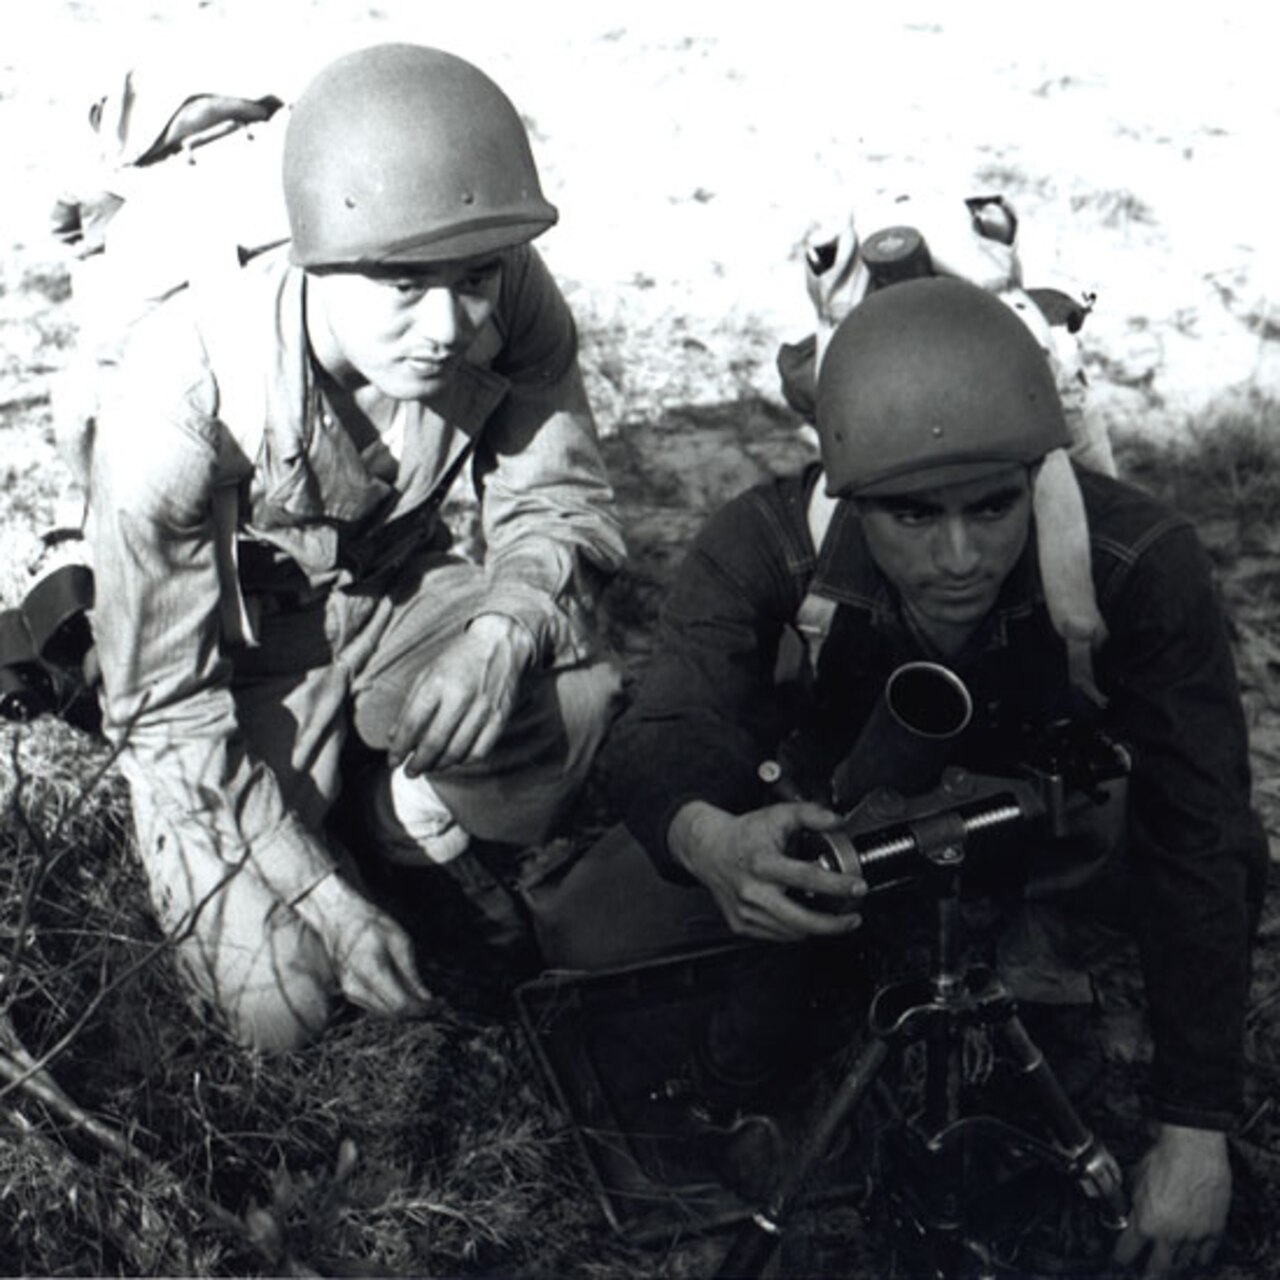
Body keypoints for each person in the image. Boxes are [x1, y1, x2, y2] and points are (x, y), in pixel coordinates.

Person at [543, 277, 1266, 1275]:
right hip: (823, 832)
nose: (959, 555)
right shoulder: (762, 543)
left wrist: (1193, 1126)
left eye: (992, 506)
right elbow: (664, 724)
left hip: (1038, 841)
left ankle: (1007, 959)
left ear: (1035, 474)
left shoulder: (1136, 560)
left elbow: (1203, 829)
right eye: (912, 517)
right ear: (845, 495)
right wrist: (712, 842)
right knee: (587, 931)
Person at [85, 43, 625, 1052]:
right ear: (315, 257)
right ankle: (330, 847)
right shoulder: (178, 394)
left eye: (471, 280)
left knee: (574, 688)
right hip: (236, 659)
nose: (446, 325)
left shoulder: (504, 286)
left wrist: (500, 633)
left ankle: (396, 823)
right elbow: (163, 710)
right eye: (400, 284)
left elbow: (558, 501)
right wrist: (328, 903)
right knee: (279, 1007)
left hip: (388, 592)